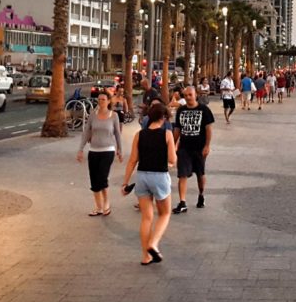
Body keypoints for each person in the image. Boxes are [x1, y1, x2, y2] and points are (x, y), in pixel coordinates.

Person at [121, 101, 177, 265]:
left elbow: (132, 160)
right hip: (159, 176)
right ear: (164, 118)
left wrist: (125, 183)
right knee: (165, 213)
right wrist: (170, 163)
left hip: (142, 177)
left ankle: (146, 256)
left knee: (146, 218)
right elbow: (173, 159)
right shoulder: (167, 134)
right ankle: (154, 243)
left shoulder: (140, 134)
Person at [77, 91, 124, 216]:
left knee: (102, 178)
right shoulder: (93, 115)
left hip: (108, 151)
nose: (101, 101)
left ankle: (106, 203)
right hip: (93, 151)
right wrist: (81, 149)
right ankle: (98, 207)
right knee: (94, 180)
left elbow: (117, 134)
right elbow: (87, 132)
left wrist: (120, 150)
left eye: (103, 99)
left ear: (108, 101)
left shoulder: (114, 115)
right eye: (99, 99)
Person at [172, 85, 214, 213]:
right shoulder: (181, 110)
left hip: (199, 148)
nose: (188, 97)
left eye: (190, 95)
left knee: (200, 174)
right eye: (186, 95)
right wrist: (172, 144)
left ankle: (201, 195)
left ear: (196, 95)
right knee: (182, 174)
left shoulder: (204, 110)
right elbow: (177, 129)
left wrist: (207, 146)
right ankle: (182, 202)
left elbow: (208, 129)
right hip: (184, 147)